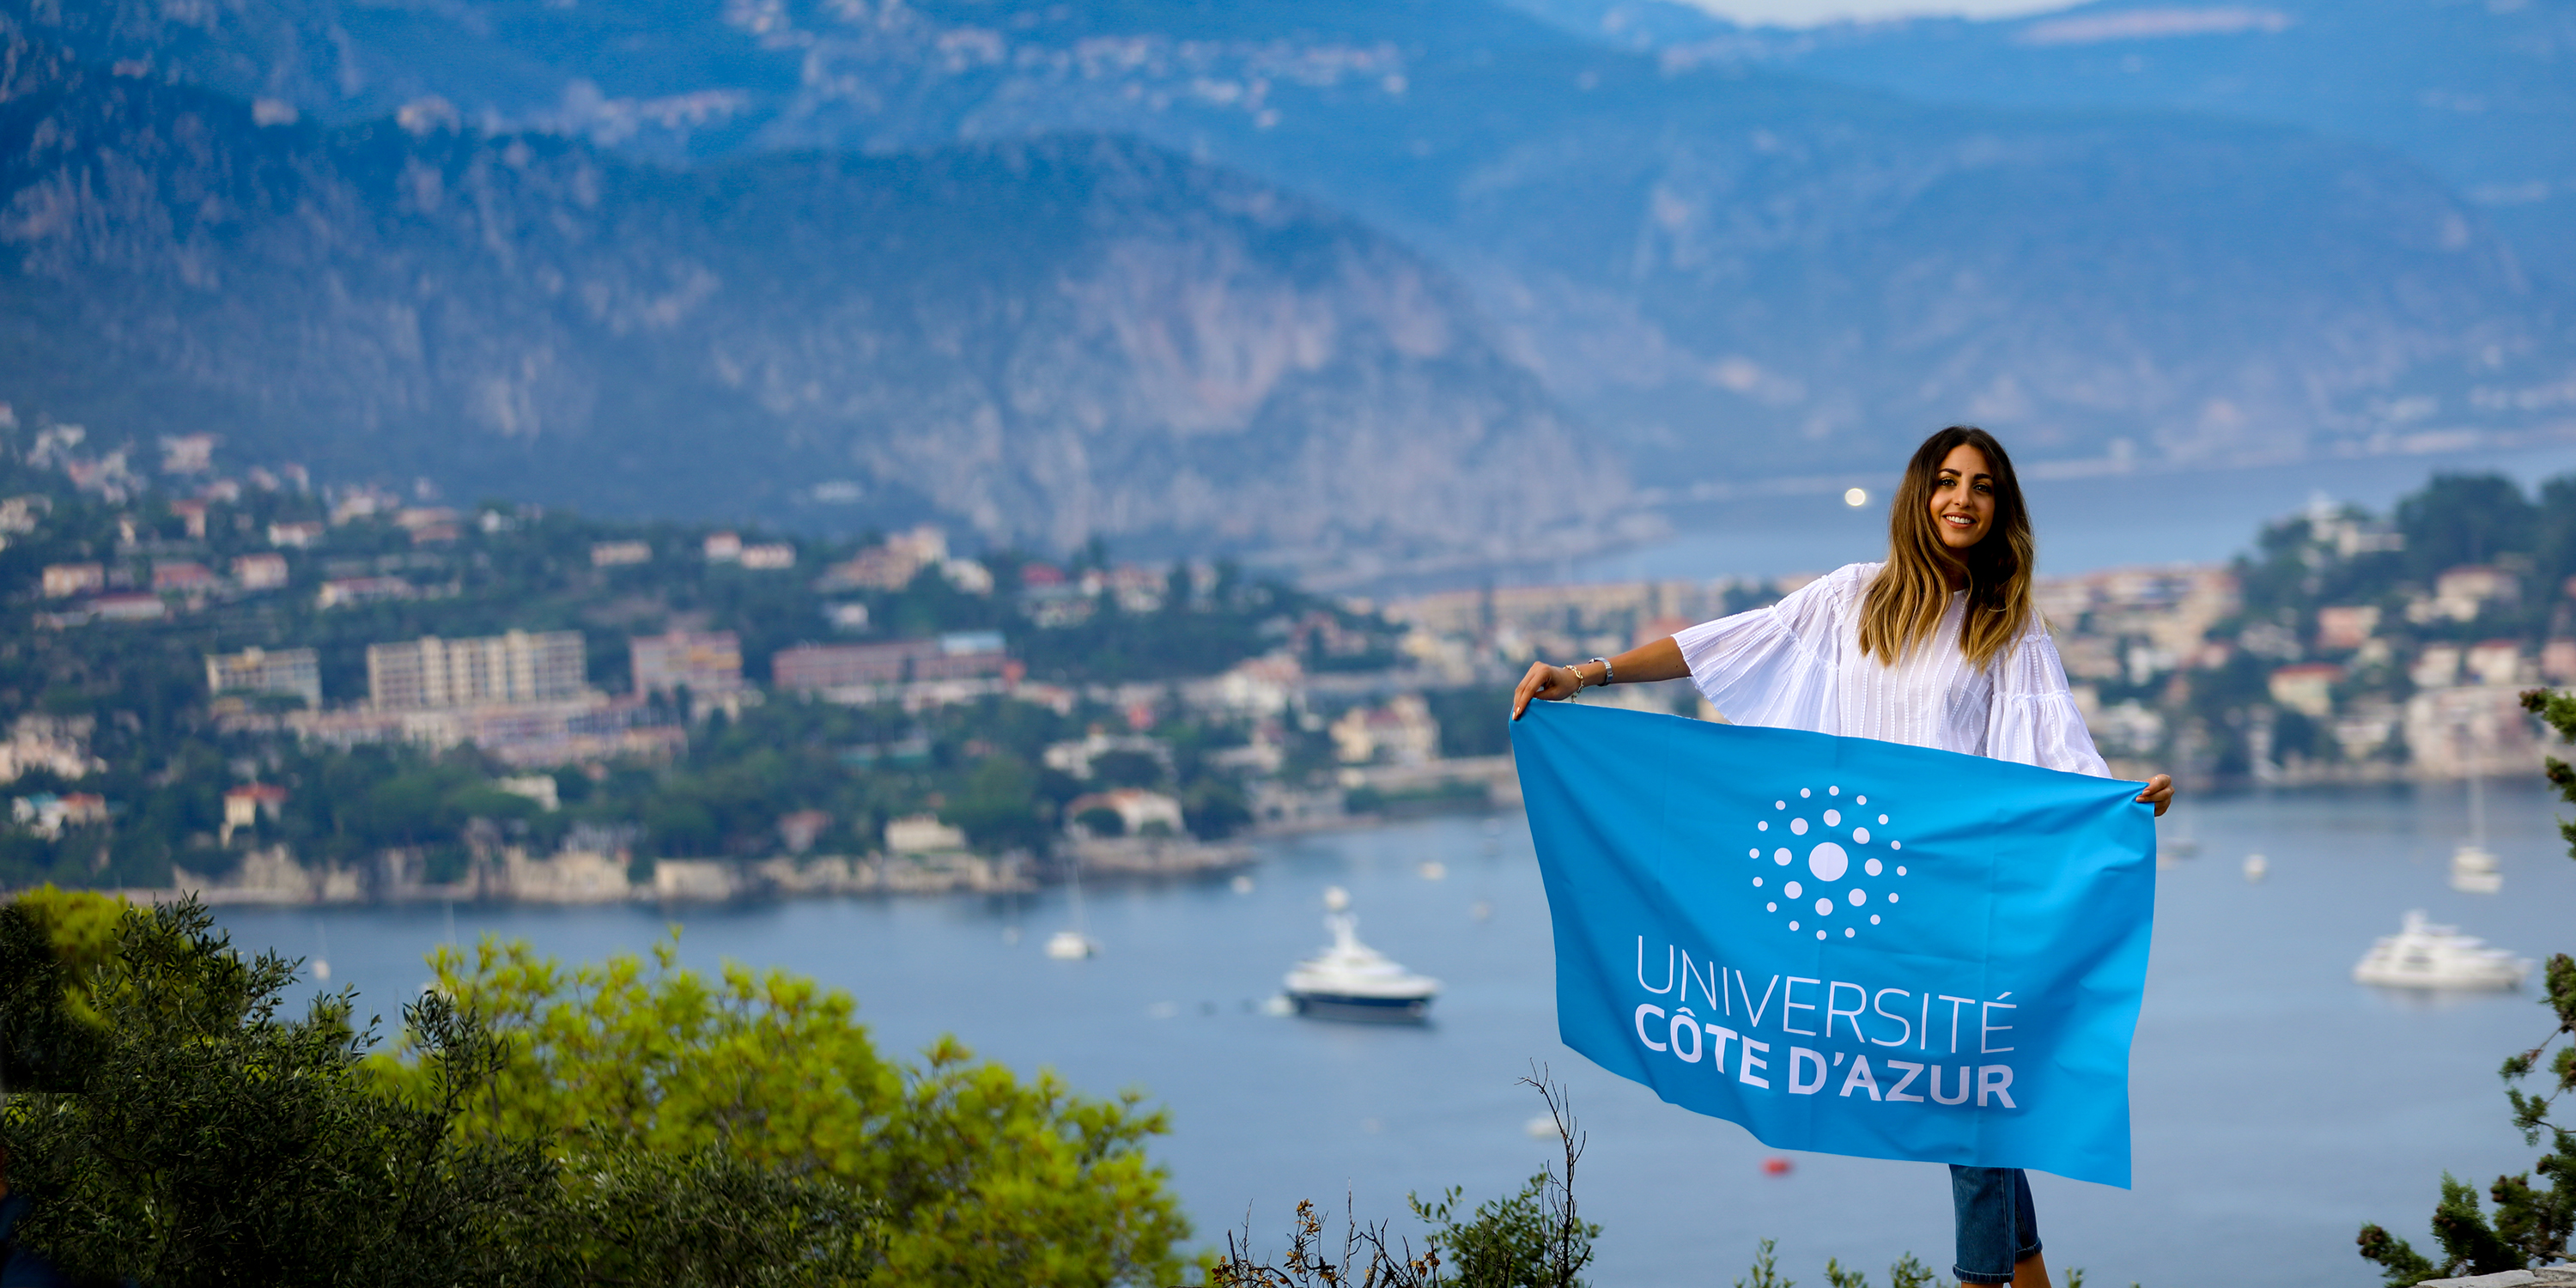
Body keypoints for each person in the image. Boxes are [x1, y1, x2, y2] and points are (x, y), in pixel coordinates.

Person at [1510, 424, 2173, 1288]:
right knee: (1972, 1101)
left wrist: (2119, 806)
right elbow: (1721, 644)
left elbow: (2055, 749)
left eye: (1982, 486)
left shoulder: (2005, 627)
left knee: (1967, 1099)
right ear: (1919, 494)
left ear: (1999, 508)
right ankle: (2026, 1271)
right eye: (1947, 480)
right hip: (1866, 891)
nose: (1962, 498)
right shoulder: (1851, 597)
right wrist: (1590, 672)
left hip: (1958, 897)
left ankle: (1982, 1282)